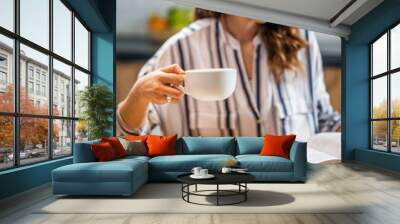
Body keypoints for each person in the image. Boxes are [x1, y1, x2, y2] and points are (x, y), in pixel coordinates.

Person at [117, 9, 340, 141]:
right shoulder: (181, 48)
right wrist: (138, 95)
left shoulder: (302, 39)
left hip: (296, 188)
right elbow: (135, 137)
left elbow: (323, 120)